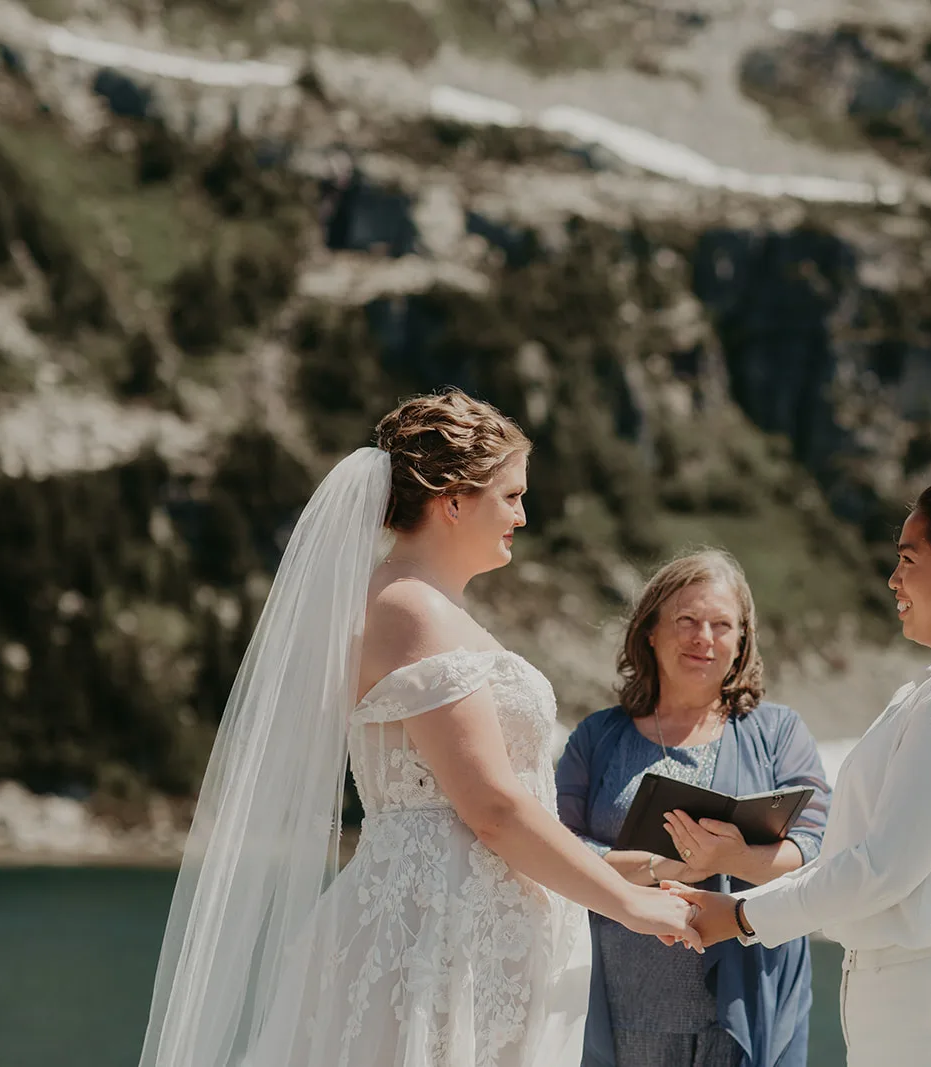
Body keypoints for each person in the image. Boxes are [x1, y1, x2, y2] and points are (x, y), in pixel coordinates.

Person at [137, 388, 699, 1067]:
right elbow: (490, 807)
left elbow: (481, 802)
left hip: (475, 939)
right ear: (454, 499)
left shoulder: (429, 607)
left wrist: (600, 865)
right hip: (434, 946)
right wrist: (629, 907)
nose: (523, 514)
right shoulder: (409, 609)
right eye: (511, 495)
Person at [670, 459, 931, 1067]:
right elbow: (863, 855)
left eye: (907, 561)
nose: (891, 580)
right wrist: (744, 883)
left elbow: (884, 867)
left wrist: (742, 917)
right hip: (918, 991)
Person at [556, 551, 830, 1067]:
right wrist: (662, 867)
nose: (703, 637)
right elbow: (555, 849)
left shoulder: (779, 732)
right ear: (650, 631)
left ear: (741, 641)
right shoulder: (596, 738)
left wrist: (729, 860)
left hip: (743, 1015)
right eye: (686, 620)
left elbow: (815, 847)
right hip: (618, 1014)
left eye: (721, 624)